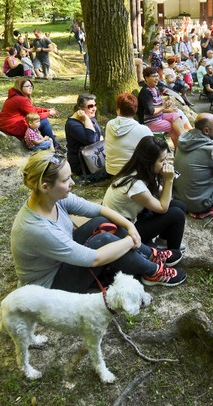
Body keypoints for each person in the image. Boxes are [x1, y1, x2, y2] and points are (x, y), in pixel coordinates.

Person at [11, 151, 186, 291]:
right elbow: (95, 259)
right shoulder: (39, 228)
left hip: (61, 260)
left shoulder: (53, 198)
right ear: (45, 187)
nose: (72, 183)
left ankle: (150, 255)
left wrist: (129, 226)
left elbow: (99, 209)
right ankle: (153, 272)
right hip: (50, 285)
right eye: (65, 180)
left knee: (101, 221)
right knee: (103, 241)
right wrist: (130, 240)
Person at [102, 136, 186, 252]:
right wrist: (169, 180)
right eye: (162, 161)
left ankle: (163, 242)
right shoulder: (135, 184)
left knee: (179, 205)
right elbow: (163, 208)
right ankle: (171, 255)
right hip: (121, 230)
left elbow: (162, 194)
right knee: (177, 214)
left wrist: (164, 180)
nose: (165, 163)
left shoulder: (141, 171)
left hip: (132, 219)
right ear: (149, 162)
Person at [0, 77, 61, 148]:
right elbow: (34, 115)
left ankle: (47, 139)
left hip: (6, 124)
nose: (30, 88)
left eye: (31, 86)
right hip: (11, 126)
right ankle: (55, 146)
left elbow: (32, 109)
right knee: (44, 121)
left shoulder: (17, 96)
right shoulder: (20, 99)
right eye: (27, 86)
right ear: (20, 87)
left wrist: (46, 110)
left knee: (39, 121)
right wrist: (49, 113)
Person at [137, 67, 191, 147]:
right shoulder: (145, 92)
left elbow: (158, 107)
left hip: (158, 117)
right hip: (150, 122)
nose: (156, 78)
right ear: (146, 78)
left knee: (176, 113)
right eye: (153, 76)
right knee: (174, 127)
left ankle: (184, 141)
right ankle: (183, 145)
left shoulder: (156, 89)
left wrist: (168, 109)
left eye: (157, 76)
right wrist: (163, 107)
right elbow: (150, 111)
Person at [105, 93, 153, 177]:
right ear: (135, 109)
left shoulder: (109, 124)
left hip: (111, 170)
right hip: (132, 173)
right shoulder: (143, 130)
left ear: (118, 109)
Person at [65, 93, 105, 176]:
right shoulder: (72, 124)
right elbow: (91, 141)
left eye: (95, 105)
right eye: (90, 106)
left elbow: (100, 134)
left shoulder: (91, 117)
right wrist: (86, 119)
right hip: (82, 164)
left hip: (95, 157)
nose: (94, 109)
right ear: (80, 109)